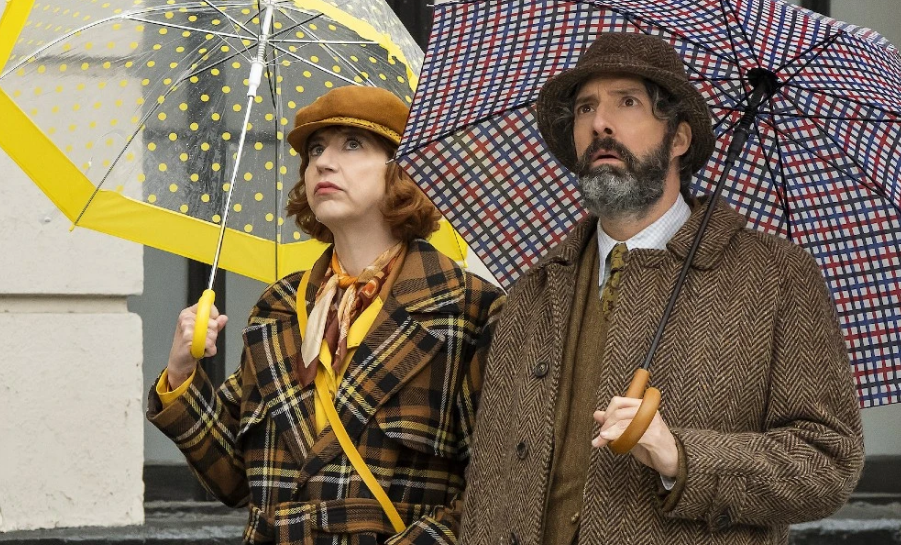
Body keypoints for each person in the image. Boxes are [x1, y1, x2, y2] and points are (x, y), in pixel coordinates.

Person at [459, 33, 864, 545]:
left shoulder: (775, 276)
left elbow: (827, 461)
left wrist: (680, 456)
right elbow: (488, 481)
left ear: (678, 139)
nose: (599, 123)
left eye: (627, 102)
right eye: (585, 107)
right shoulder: (533, 292)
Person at [147, 85, 504, 545]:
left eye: (352, 144)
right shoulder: (279, 308)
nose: (323, 163)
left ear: (404, 170)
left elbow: (494, 486)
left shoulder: (467, 309)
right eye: (316, 149)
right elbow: (232, 478)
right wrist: (181, 373)